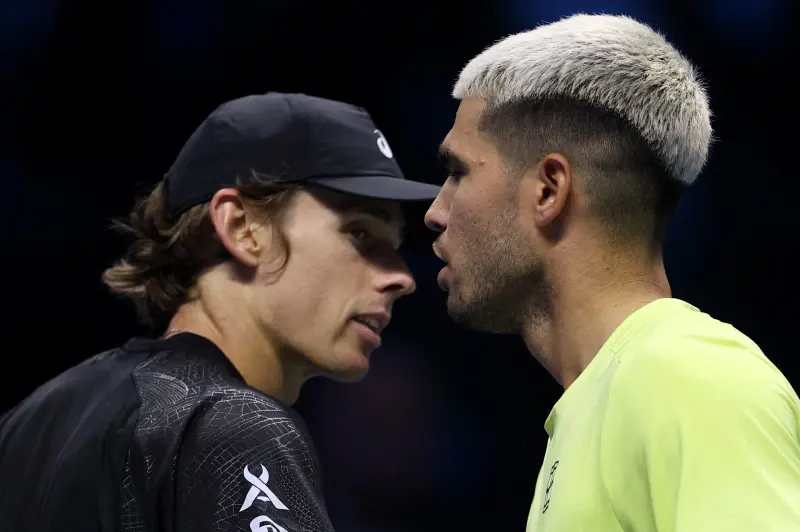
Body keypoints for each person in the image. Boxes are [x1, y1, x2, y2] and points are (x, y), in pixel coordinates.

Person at [424, 13, 800, 531]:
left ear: (549, 190)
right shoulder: (603, 400)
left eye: (457, 172)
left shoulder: (689, 377)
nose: (435, 212)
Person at [0, 92, 440, 532]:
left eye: (397, 248)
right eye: (360, 234)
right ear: (241, 228)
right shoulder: (232, 426)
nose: (401, 278)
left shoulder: (26, 423)